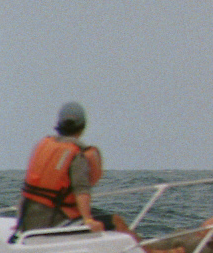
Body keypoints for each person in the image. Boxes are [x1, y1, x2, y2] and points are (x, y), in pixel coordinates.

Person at [12, 101, 134, 240]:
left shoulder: (43, 146)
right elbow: (81, 191)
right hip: (52, 223)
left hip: (27, 221)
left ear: (59, 125)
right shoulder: (76, 154)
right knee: (116, 221)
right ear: (83, 127)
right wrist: (88, 220)